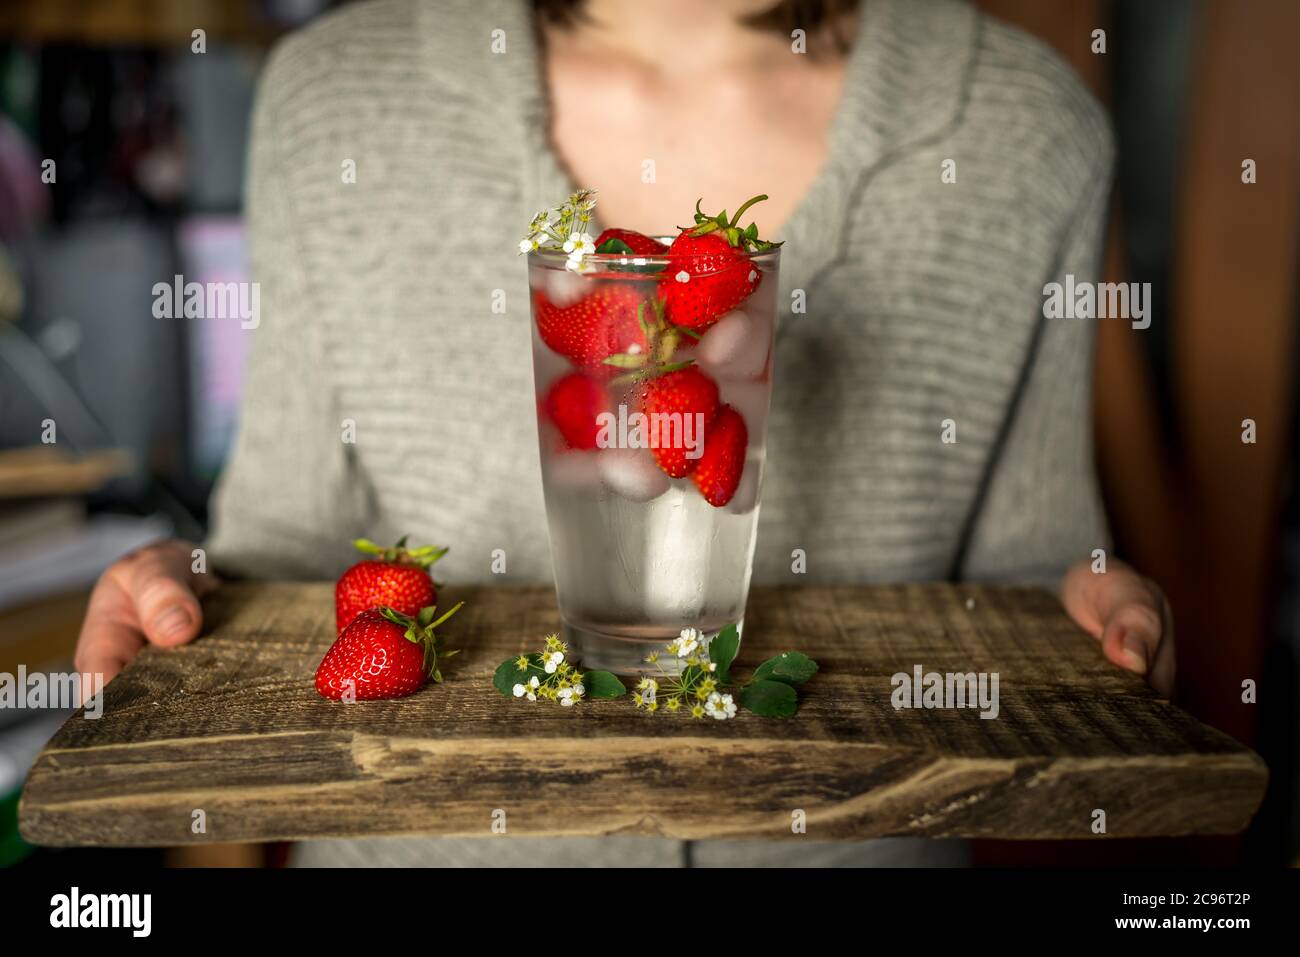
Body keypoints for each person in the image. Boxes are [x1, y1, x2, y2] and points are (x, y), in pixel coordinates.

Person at [74, 0, 1174, 866]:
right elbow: (285, 552)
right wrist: (193, 598)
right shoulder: (333, 94)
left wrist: (1078, 612)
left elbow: (1028, 580)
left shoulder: (1031, 127)